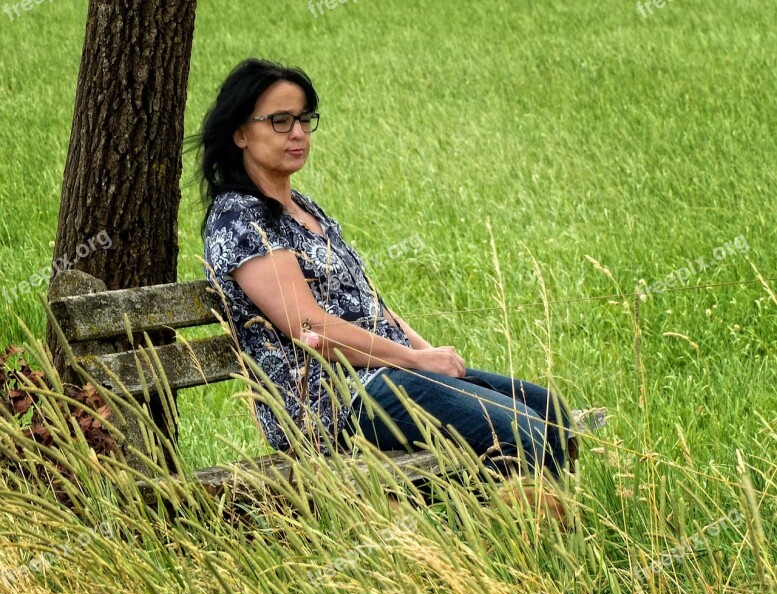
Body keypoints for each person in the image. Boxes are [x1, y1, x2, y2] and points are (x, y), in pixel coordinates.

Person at [198, 58, 572, 498]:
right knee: (518, 431)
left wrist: (425, 350)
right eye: (280, 121)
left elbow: (371, 305)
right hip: (332, 403)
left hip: (386, 377)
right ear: (241, 133)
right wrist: (414, 362)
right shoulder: (240, 218)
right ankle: (494, 541)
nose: (298, 133)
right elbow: (308, 326)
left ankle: (525, 532)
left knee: (551, 415)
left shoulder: (304, 208)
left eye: (303, 119)